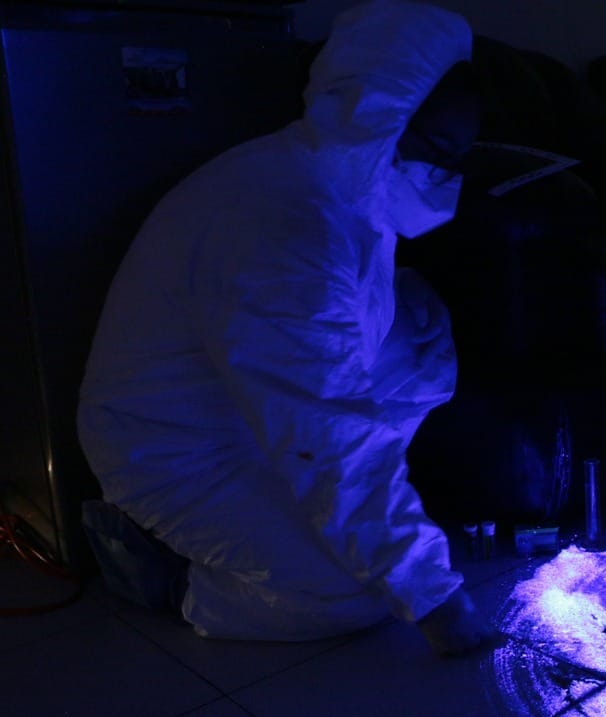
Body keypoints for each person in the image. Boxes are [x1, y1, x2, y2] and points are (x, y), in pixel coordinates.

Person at [77, 0, 494, 655]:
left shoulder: (338, 183)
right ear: (380, 117)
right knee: (354, 589)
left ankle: (347, 515)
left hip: (249, 405)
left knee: (422, 342)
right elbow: (322, 423)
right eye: (437, 152)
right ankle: (169, 576)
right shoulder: (283, 221)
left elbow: (322, 374)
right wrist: (432, 595)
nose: (446, 175)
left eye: (458, 157)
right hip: (172, 447)